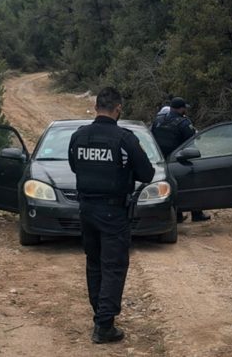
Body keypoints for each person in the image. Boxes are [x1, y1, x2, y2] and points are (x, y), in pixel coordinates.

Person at [68, 87, 155, 344]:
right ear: (118, 109)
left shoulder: (78, 136)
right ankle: (104, 325)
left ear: (96, 107)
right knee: (114, 267)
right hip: (113, 211)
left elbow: (74, 166)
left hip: (86, 210)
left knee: (94, 263)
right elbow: (147, 173)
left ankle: (100, 313)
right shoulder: (124, 139)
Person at [151, 97, 211, 222]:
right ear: (181, 109)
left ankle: (177, 215)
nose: (185, 110)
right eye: (184, 108)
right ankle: (197, 214)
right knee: (193, 185)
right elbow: (191, 142)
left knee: (170, 188)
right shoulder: (183, 123)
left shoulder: (158, 120)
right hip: (180, 161)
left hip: (161, 161)